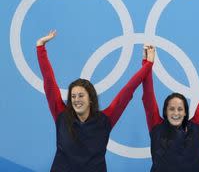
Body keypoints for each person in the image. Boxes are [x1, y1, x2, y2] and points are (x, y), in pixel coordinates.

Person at [36, 30, 152, 171]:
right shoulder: (61, 115)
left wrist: (147, 64)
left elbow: (128, 90)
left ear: (90, 99)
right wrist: (40, 47)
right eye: (73, 96)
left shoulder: (105, 120)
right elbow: (49, 82)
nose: (76, 100)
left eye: (81, 95)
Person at [141, 45, 199, 171]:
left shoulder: (196, 127)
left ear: (185, 112)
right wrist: (147, 63)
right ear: (165, 112)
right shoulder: (156, 127)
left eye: (180, 109)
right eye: (171, 109)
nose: (176, 113)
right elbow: (148, 97)